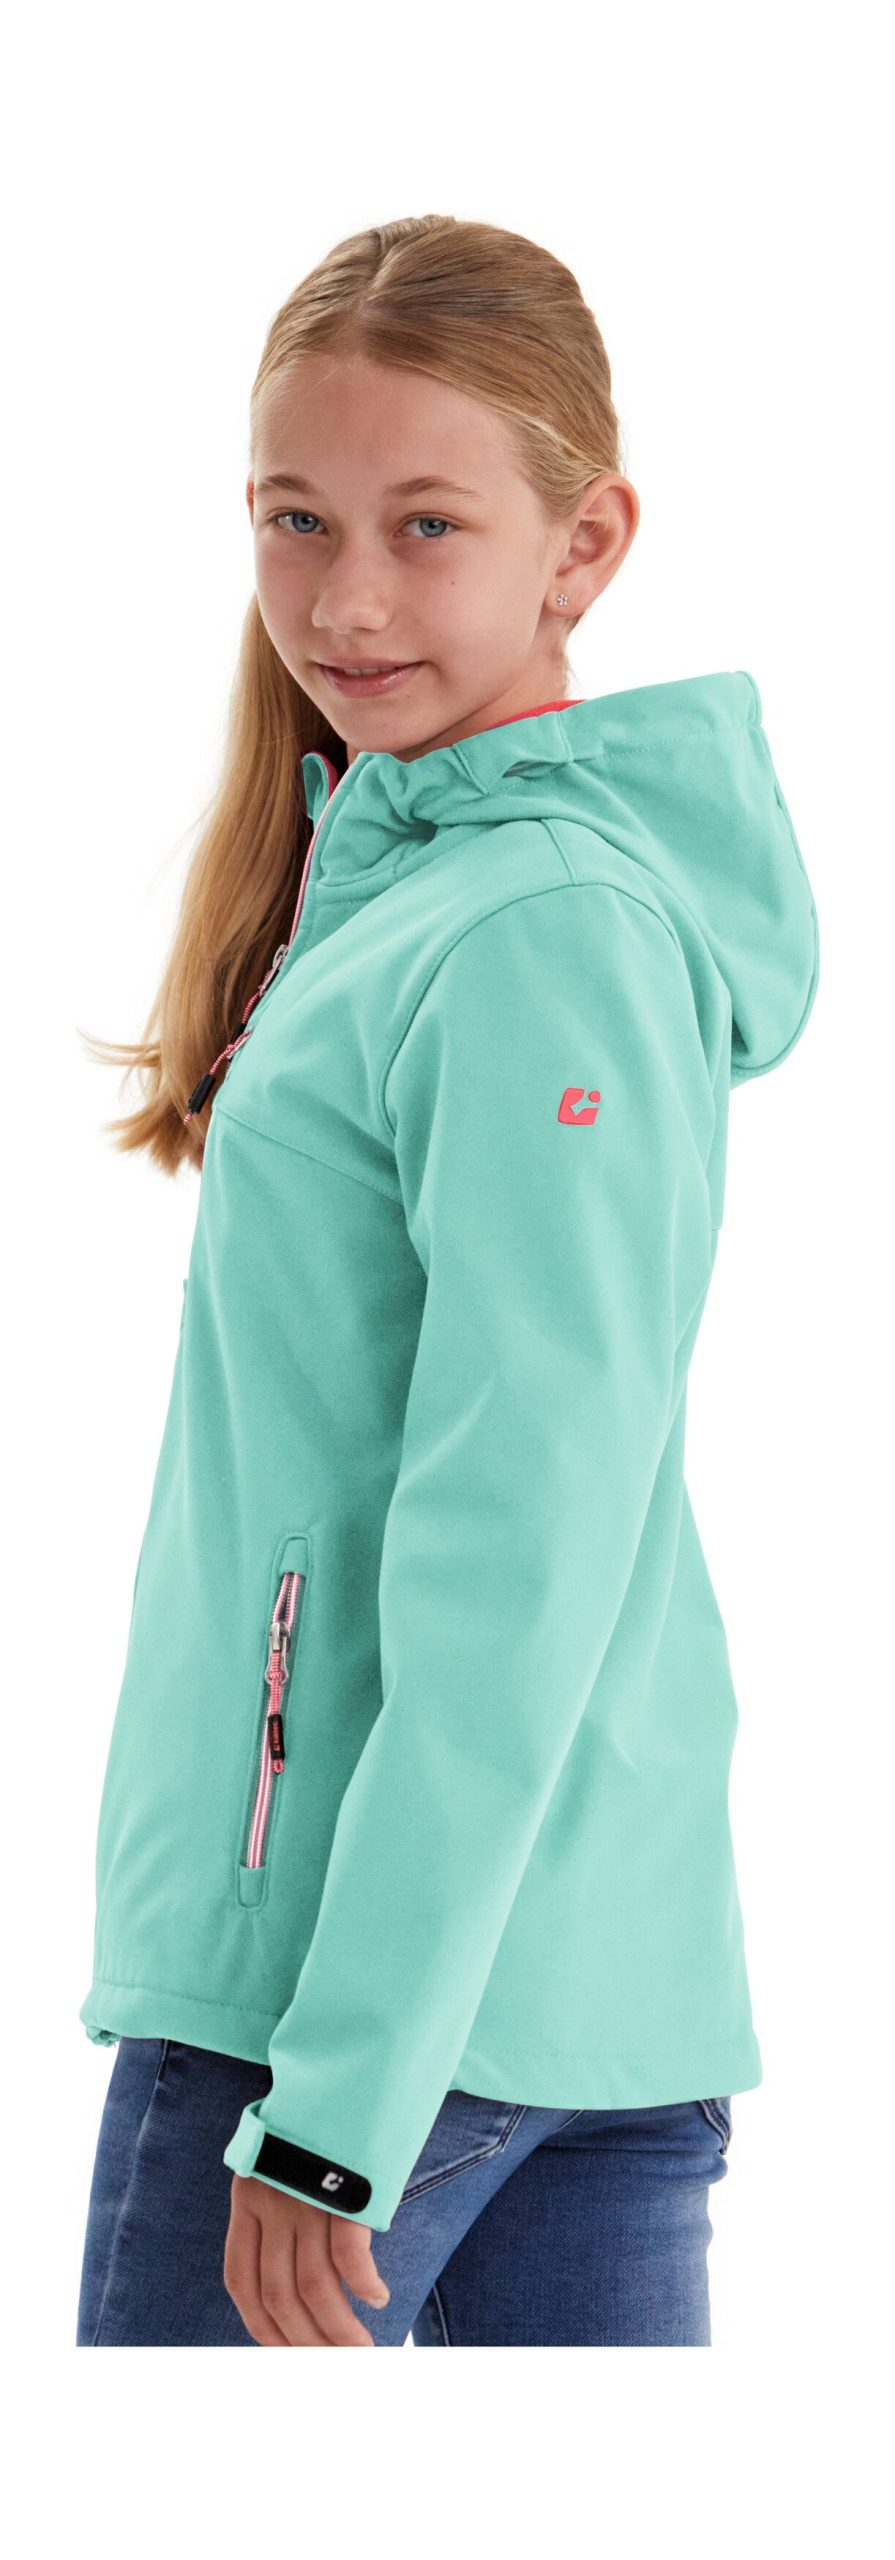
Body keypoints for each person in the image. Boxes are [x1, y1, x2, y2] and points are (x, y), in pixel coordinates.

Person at [75, 212, 820, 2348]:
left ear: (584, 544)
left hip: (355, 2017)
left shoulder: (529, 932)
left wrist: (336, 2097)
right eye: (294, 518)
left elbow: (523, 1529)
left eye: (426, 523)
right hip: (579, 2000)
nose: (346, 599)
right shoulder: (427, 894)